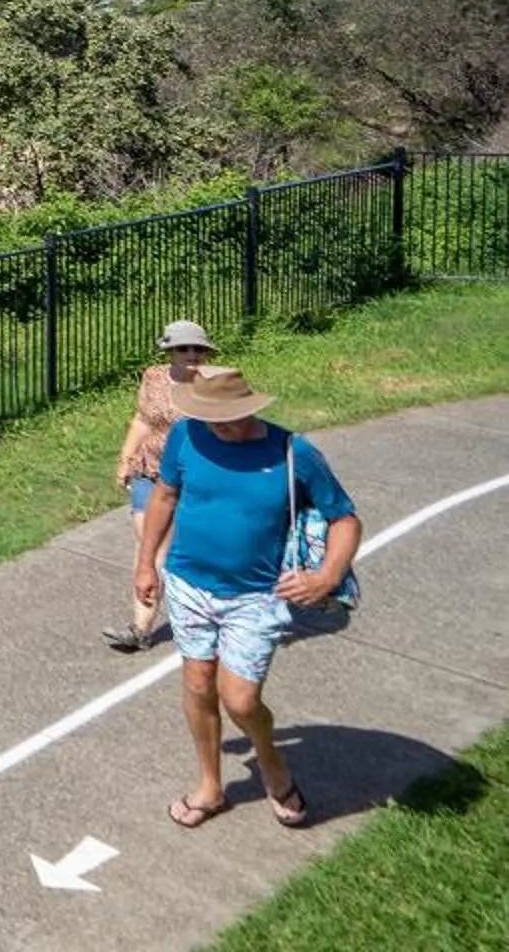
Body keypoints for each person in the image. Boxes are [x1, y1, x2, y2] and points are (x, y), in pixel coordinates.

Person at [133, 366, 361, 831]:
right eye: (211, 418)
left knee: (239, 699)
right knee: (197, 685)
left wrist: (326, 577)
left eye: (229, 418)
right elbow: (164, 497)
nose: (219, 427)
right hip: (188, 585)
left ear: (249, 408)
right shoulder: (186, 437)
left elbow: (345, 519)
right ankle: (210, 787)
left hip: (256, 596)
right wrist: (145, 564)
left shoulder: (291, 452)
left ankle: (271, 762)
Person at [104, 320, 215, 650]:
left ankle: (192, 612)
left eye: (198, 348)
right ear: (170, 351)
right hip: (149, 471)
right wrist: (126, 457)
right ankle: (140, 628)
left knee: (162, 550)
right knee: (148, 546)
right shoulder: (153, 377)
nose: (191, 354)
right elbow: (142, 420)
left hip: (190, 476)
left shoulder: (215, 385)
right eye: (183, 348)